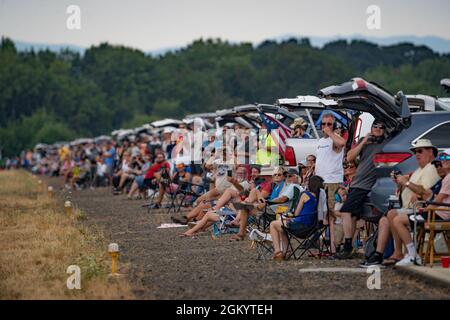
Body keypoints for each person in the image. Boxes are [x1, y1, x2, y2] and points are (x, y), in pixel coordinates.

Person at [360, 139, 441, 267]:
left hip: (422, 209)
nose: (417, 154)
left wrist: (406, 183)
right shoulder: (419, 169)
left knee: (392, 215)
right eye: (415, 152)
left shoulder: (431, 168)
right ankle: (379, 254)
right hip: (410, 207)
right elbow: (414, 187)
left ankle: (399, 252)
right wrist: (401, 183)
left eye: (420, 151)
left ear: (430, 152)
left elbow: (424, 193)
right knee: (384, 220)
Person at [336, 120, 388, 259]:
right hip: (356, 183)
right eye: (375, 126)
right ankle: (349, 249)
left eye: (381, 127)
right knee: (352, 216)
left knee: (345, 211)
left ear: (385, 130)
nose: (378, 129)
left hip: (364, 185)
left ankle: (347, 246)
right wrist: (364, 141)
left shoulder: (386, 144)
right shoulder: (365, 143)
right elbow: (350, 157)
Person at [391, 149, 450, 266]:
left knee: (398, 220)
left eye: (447, 158)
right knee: (398, 218)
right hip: (438, 212)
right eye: (442, 158)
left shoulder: (448, 178)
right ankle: (411, 254)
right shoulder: (446, 178)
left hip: (440, 215)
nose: (444, 161)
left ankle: (412, 255)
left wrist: (426, 209)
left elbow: (438, 201)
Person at [270, 176, 323, 260]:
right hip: (312, 228)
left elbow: (296, 213)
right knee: (282, 227)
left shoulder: (305, 195)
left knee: (273, 224)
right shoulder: (320, 198)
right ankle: (286, 252)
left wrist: (291, 218)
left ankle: (278, 251)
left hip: (300, 226)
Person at [315, 112, 346, 254]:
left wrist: (331, 133)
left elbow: (342, 143)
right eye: (323, 124)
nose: (326, 127)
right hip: (321, 181)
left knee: (332, 215)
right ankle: (329, 244)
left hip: (332, 181)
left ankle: (334, 247)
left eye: (329, 124)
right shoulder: (320, 141)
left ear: (334, 126)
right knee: (325, 215)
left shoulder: (335, 139)